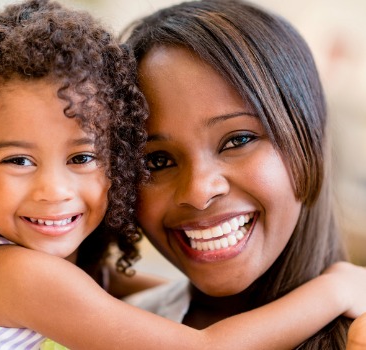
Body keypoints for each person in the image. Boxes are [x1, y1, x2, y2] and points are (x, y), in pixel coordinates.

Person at [0, 0, 366, 349]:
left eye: (81, 158)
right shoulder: (14, 274)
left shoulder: (64, 278)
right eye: (18, 160)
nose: (53, 189)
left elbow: (136, 298)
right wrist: (335, 290)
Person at [123, 0, 366, 348]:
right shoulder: (113, 330)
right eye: (157, 161)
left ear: (308, 137)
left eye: (238, 140)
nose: (198, 190)